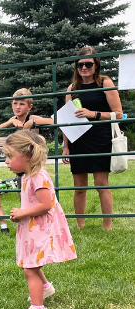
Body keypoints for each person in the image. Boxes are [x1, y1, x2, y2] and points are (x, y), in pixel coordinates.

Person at [4, 130, 77, 309]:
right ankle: (45, 288)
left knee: (30, 268)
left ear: (27, 156)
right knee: (31, 263)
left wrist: (22, 213)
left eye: (10, 156)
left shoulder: (38, 177)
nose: (6, 161)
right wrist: (21, 215)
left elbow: (46, 205)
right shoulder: (27, 176)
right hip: (32, 227)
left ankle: (38, 307)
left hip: (40, 229)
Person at [62, 46, 123, 230]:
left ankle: (107, 226)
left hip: (100, 138)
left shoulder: (105, 82)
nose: (84, 68)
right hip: (78, 139)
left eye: (88, 64)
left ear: (96, 65)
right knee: (79, 186)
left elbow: (119, 114)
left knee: (101, 184)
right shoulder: (72, 88)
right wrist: (66, 147)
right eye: (80, 65)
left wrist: (93, 113)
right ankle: (80, 225)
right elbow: (66, 119)